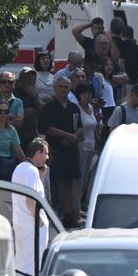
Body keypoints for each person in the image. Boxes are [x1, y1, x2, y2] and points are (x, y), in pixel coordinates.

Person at [40, 77, 80, 223]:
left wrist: (74, 137)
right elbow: (47, 128)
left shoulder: (74, 107)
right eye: (60, 87)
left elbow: (79, 127)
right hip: (55, 151)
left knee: (69, 183)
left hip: (71, 151)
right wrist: (67, 136)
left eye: (66, 87)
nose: (63, 90)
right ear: (55, 88)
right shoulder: (49, 107)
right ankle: (53, 214)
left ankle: (68, 215)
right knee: (54, 184)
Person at [11, 138, 51, 275]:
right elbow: (30, 200)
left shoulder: (20, 168)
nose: (47, 157)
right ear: (38, 153)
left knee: (21, 261)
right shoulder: (31, 171)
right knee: (32, 264)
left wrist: (42, 176)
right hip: (31, 226)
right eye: (45, 153)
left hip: (21, 223)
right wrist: (39, 221)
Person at [13, 69, 42, 152]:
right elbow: (14, 112)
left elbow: (42, 110)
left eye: (32, 76)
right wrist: (30, 111)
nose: (30, 79)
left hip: (32, 133)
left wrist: (33, 95)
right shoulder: (14, 93)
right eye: (27, 76)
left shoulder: (34, 93)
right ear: (21, 78)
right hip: (17, 134)